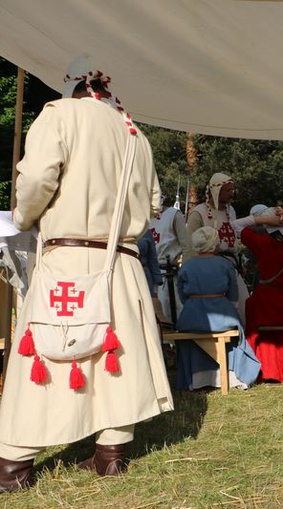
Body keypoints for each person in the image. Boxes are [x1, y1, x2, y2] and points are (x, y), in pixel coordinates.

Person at [0, 56, 173, 490]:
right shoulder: (135, 133)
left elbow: (37, 177)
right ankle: (110, 454)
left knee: (46, 354)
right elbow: (153, 205)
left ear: (69, 87)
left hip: (70, 259)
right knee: (117, 359)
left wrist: (22, 218)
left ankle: (13, 464)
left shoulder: (59, 115)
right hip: (124, 261)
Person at [175, 227, 259, 390]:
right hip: (222, 315)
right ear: (214, 244)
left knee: (186, 335)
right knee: (237, 329)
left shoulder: (187, 266)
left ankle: (195, 379)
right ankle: (233, 376)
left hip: (191, 317)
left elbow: (182, 295)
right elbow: (233, 296)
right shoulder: (225, 264)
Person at [241, 205, 283, 383]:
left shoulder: (262, 244)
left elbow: (236, 226)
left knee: (251, 307)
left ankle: (259, 368)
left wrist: (262, 220)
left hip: (267, 307)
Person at [185, 173, 248, 321]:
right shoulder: (198, 213)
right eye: (227, 190)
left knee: (242, 304)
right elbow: (190, 245)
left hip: (231, 265)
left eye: (232, 190)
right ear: (216, 190)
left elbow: (233, 239)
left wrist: (240, 262)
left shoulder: (231, 211)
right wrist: (190, 272)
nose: (231, 194)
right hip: (208, 268)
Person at [149, 194, 187, 324]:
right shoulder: (140, 218)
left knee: (170, 311)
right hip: (147, 275)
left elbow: (186, 245)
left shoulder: (174, 214)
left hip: (168, 274)